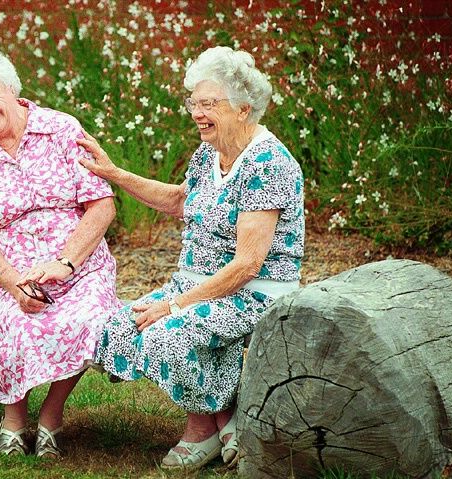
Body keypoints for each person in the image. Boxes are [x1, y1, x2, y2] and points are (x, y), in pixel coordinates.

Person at [77, 46, 305, 470]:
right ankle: (227, 420)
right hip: (197, 286)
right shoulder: (209, 152)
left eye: (208, 104)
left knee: (167, 334)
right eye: (194, 103)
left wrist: (175, 305)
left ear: (243, 108)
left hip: (253, 293)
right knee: (118, 328)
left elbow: (247, 264)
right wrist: (114, 174)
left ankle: (201, 431)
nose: (197, 112)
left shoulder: (267, 162)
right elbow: (181, 200)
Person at [0, 46, 123, 458]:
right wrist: (13, 282)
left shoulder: (61, 129)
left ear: (9, 86)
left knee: (87, 318)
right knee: (9, 321)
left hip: (80, 265)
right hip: (13, 272)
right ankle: (14, 418)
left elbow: (101, 204)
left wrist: (65, 262)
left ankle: (51, 418)